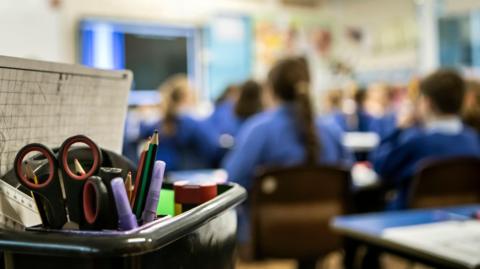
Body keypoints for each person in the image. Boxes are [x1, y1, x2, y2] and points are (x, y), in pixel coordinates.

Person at [371, 69, 480, 210]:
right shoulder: (473, 140)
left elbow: (380, 166)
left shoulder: (417, 142)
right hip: (462, 217)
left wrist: (399, 129)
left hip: (409, 221)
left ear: (426, 102)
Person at [140, 74, 219, 171]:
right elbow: (212, 148)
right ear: (187, 98)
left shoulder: (158, 123)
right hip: (191, 176)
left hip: (164, 176)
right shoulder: (193, 123)